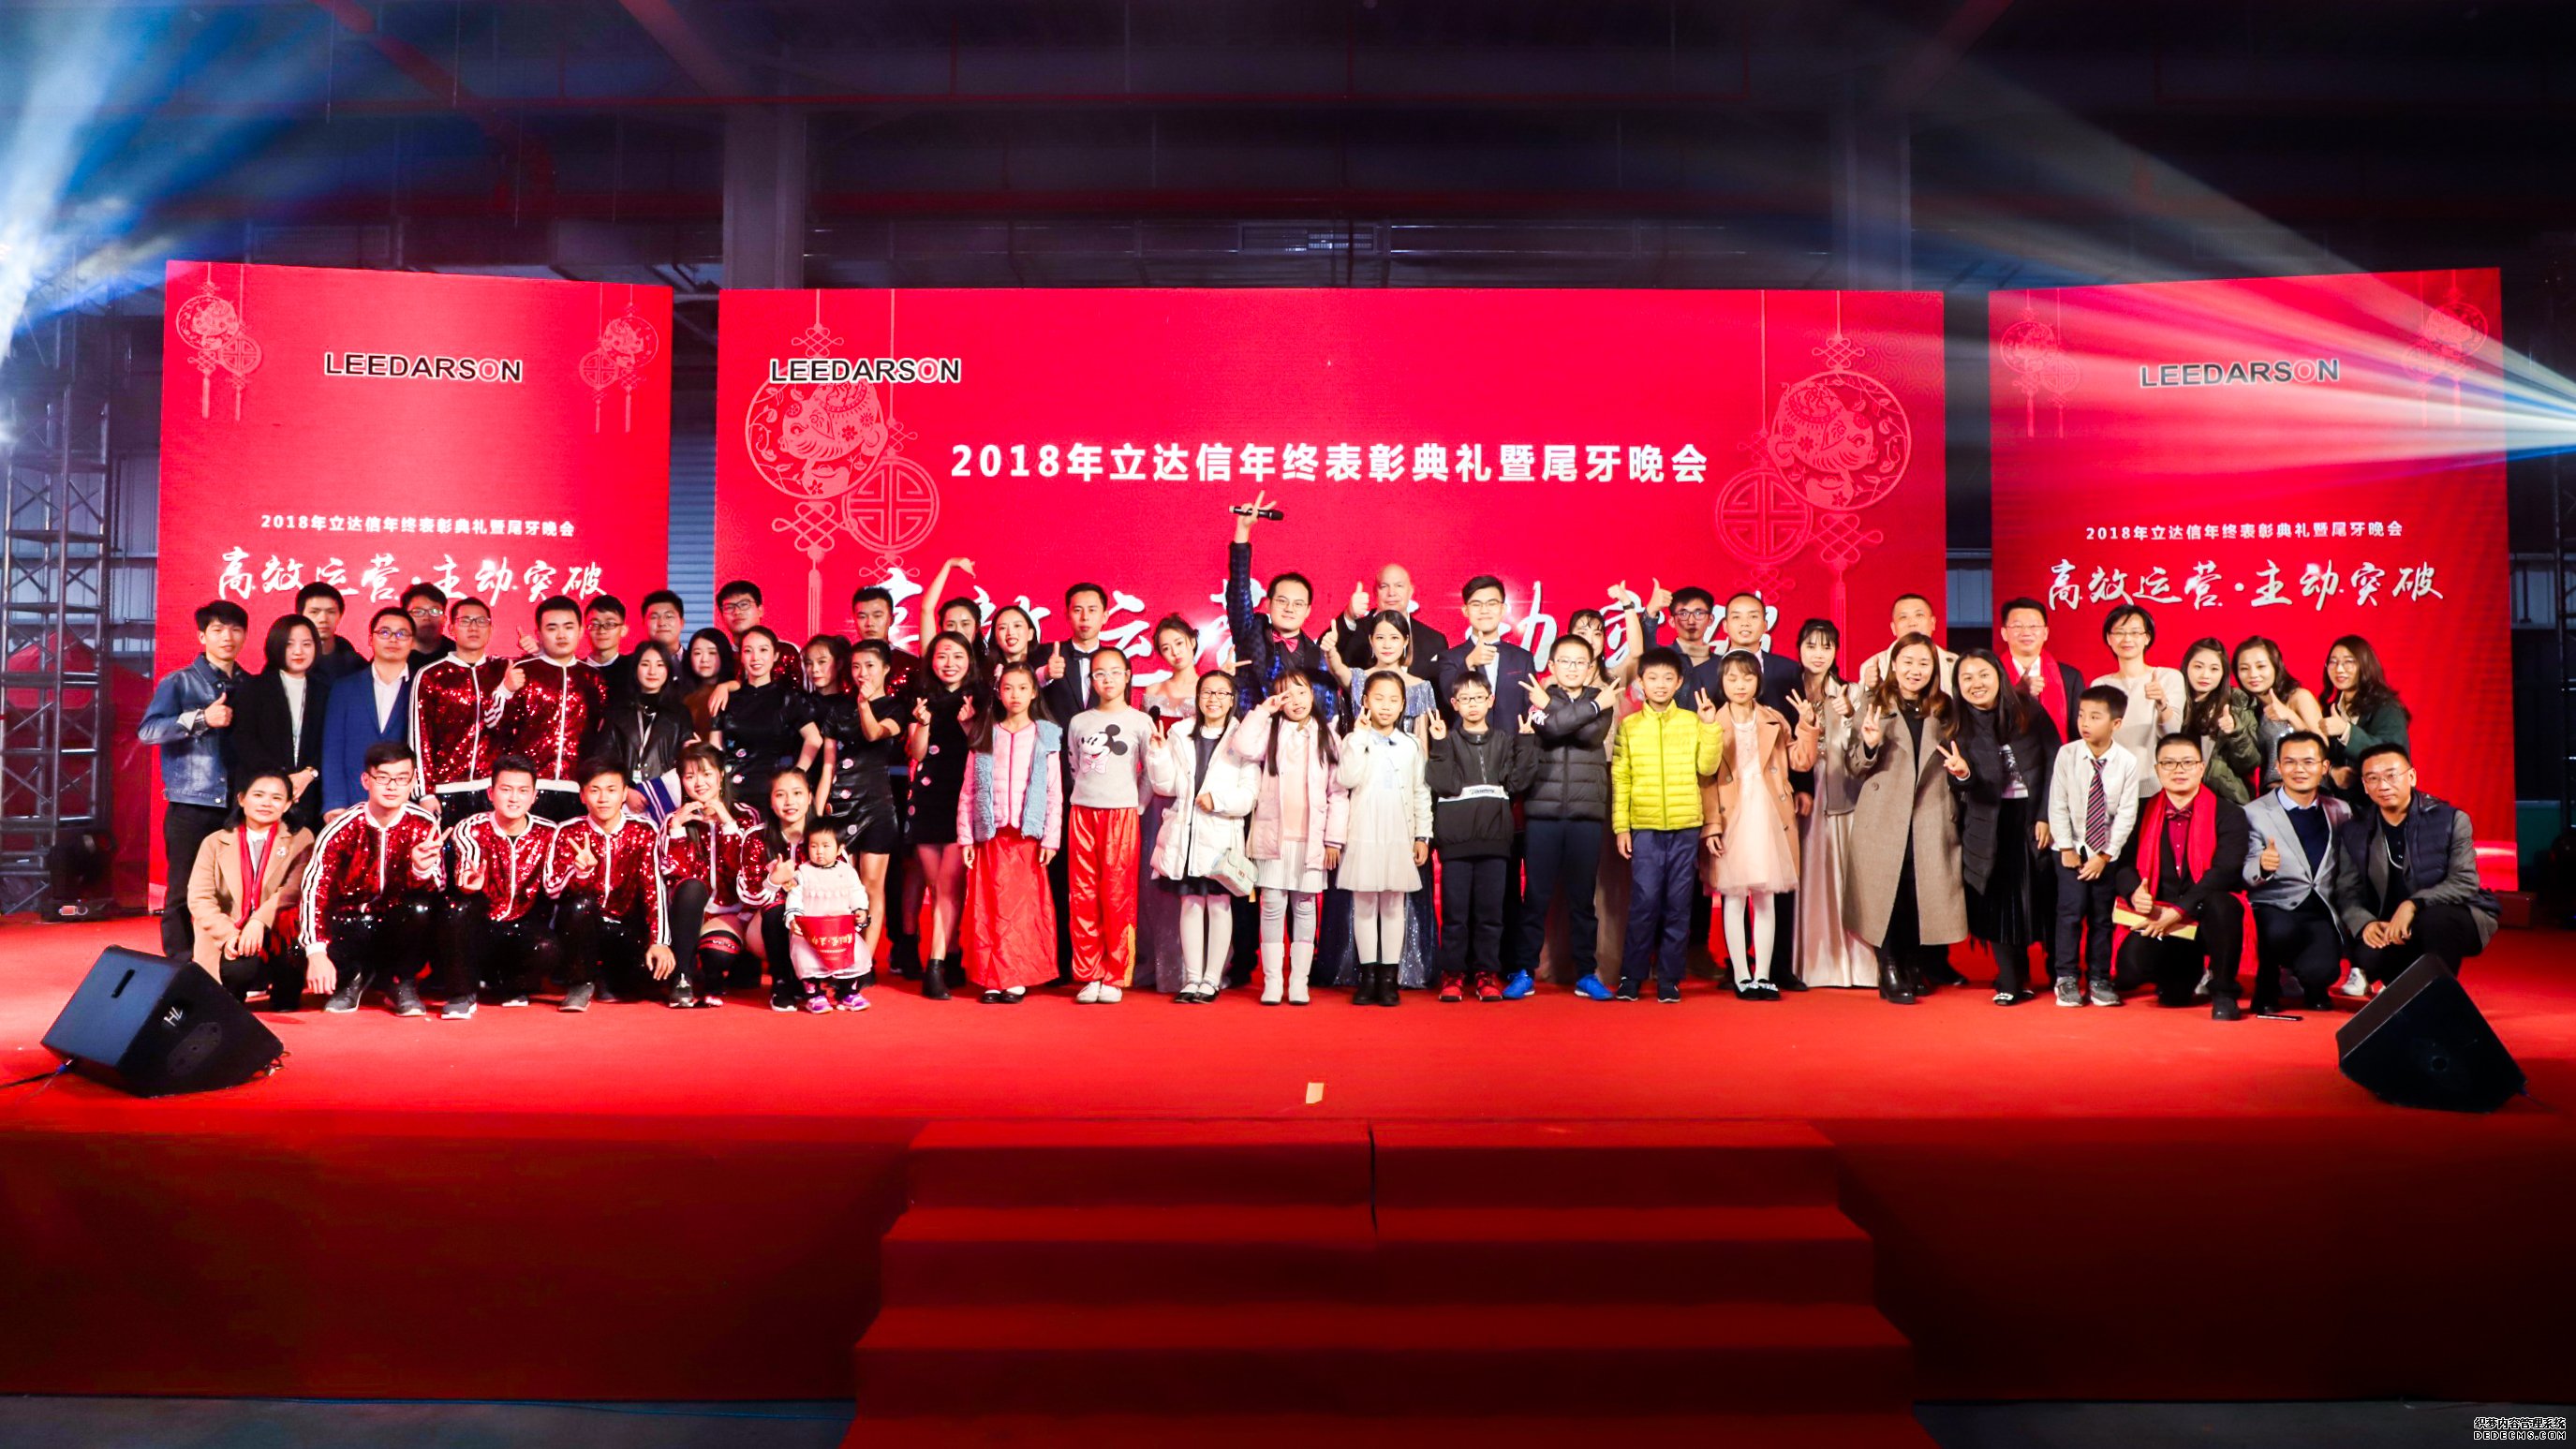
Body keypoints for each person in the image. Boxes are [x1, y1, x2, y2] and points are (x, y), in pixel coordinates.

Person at [1844, 635, 1971, 1006]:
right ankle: (1888, 967)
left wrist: (1962, 772)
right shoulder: (1874, 703)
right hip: (1884, 814)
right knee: (1887, 891)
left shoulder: (1945, 708)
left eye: (1923, 663)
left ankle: (1914, 963)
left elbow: (1961, 760)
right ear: (1893, 664)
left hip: (1931, 812)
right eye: (1908, 662)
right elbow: (1854, 765)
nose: (1915, 671)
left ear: (1934, 668)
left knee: (1921, 890)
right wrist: (1869, 744)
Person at [1609, 648, 1726, 1003]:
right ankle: (1631, 976)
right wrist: (1622, 826)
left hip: (1684, 825)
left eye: (1667, 678)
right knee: (1644, 902)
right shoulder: (1630, 726)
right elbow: (1621, 778)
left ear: (1679, 683)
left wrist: (1710, 727)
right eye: (1652, 678)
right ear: (1640, 683)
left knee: (1678, 903)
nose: (1660, 684)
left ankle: (1669, 979)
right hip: (1644, 826)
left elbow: (1707, 768)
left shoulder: (1692, 721)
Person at [2332, 742, 2498, 988]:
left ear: (2411, 777)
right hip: (2391, 924)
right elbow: (2348, 891)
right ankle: (2403, 988)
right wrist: (2365, 923)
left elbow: (2464, 881)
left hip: (2450, 915)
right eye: (2373, 778)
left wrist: (2413, 904)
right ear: (2365, 786)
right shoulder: (2353, 831)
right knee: (2370, 957)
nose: (2383, 785)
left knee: (2435, 922)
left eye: (2391, 775)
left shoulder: (2450, 819)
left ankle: (2438, 994)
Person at [301, 741, 446, 1016]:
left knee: (421, 909)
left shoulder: (424, 824)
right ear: (366, 780)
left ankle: (400, 982)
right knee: (298, 952)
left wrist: (420, 869)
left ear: (413, 781)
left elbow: (439, 886)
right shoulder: (342, 827)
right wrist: (316, 950)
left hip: (397, 925)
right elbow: (314, 888)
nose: (392, 787)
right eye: (383, 778)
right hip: (348, 924)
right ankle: (351, 979)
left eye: (401, 779)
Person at [2110, 734, 2251, 1018]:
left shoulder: (2229, 813)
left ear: (2201, 767)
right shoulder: (2139, 810)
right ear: (2157, 769)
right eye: (2169, 763)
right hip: (2159, 917)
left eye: (2187, 763)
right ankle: (2189, 971)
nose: (2179, 770)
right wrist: (2134, 892)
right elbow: (2122, 863)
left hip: (2204, 915)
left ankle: (2224, 991)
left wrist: (2180, 910)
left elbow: (2225, 871)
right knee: (2139, 974)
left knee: (2224, 905)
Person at [141, 599, 250, 959]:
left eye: (235, 629)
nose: (227, 637)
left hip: (240, 806)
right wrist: (202, 718)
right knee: (182, 890)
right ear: (202, 636)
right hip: (192, 803)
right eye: (218, 630)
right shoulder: (179, 682)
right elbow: (148, 731)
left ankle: (226, 964)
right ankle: (179, 966)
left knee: (234, 889)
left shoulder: (251, 684)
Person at [1232, 670, 1347, 1006]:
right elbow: (1242, 746)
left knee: (1305, 907)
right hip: (1274, 837)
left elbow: (1338, 793)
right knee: (1271, 906)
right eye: (1286, 695)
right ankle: (1272, 982)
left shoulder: (1328, 736)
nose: (1295, 700)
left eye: (1301, 692)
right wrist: (1263, 711)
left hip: (1311, 839)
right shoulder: (1270, 730)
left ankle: (1299, 982)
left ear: (1312, 695)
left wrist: (1333, 840)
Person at [1952, 649, 2062, 1004]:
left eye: (1983, 674)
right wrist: (1963, 775)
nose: (1976, 684)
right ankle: (2012, 978)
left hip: (2032, 816)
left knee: (2041, 895)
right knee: (1998, 901)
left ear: (1999, 676)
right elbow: (1959, 784)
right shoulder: (1957, 722)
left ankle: (2060, 973)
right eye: (1967, 678)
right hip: (1987, 822)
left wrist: (2046, 815)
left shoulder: (2029, 710)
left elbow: (2055, 762)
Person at [1700, 651, 1808, 999]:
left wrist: (1807, 727)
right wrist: (1711, 825)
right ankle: (1741, 976)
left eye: (1747, 677)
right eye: (1732, 678)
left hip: (1768, 812)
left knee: (1765, 897)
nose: (1740, 685)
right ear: (1722, 682)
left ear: (1758, 680)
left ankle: (1763, 975)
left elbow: (1801, 762)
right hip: (1731, 814)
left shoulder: (1773, 718)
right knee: (1733, 897)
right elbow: (1704, 777)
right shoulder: (1711, 720)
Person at [1144, 669, 1255, 1003]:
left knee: (1219, 905)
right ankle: (1192, 979)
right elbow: (1166, 786)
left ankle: (1212, 979)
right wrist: (1158, 753)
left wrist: (1217, 801)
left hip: (1221, 837)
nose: (1214, 699)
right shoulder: (1179, 733)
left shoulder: (1244, 740)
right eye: (1207, 692)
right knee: (1190, 904)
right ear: (1198, 697)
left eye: (1222, 693)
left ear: (1232, 700)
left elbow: (1249, 796)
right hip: (1186, 835)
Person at [955, 661, 1062, 1003]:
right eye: (1008, 688)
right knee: (989, 907)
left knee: (1022, 910)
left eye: (1022, 688)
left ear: (1034, 693)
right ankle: (992, 976)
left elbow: (1054, 791)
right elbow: (969, 789)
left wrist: (1051, 838)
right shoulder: (986, 733)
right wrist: (966, 837)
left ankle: (1015, 975)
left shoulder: (1046, 735)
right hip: (991, 836)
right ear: (999, 693)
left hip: (1026, 838)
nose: (1015, 695)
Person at [1519, 632, 1617, 999]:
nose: (1573, 668)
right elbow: (1551, 728)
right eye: (1565, 661)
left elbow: (1589, 736)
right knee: (1536, 897)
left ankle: (1586, 974)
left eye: (1580, 662)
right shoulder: (1537, 695)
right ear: (1552, 665)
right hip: (1542, 812)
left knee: (1582, 899)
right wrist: (1553, 705)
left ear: (1590, 667)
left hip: (1585, 813)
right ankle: (1524, 970)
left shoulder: (1603, 699)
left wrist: (1570, 708)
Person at [1426, 673, 1534, 1001]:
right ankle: (1453, 974)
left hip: (1495, 841)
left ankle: (1486, 973)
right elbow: (1444, 785)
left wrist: (1526, 743)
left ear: (1491, 701)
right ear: (1454, 704)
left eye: (1478, 697)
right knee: (1455, 916)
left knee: (1490, 915)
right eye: (1465, 699)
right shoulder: (1447, 740)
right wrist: (1440, 744)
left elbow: (1516, 783)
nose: (1472, 704)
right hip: (1456, 843)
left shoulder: (1504, 740)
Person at [544, 758, 676, 1012]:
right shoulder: (568, 831)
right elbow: (551, 889)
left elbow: (654, 888)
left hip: (623, 927)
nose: (603, 798)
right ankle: (580, 983)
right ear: (583, 796)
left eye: (611, 790)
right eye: (595, 790)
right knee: (580, 906)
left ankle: (606, 977)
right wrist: (578, 872)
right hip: (578, 929)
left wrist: (659, 940)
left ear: (624, 793)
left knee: (650, 979)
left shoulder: (644, 831)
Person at [1336, 671, 1435, 1007]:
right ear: (1365, 700)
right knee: (1364, 904)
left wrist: (1423, 835)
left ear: (1403, 704)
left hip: (1398, 832)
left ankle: (1389, 979)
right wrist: (1359, 737)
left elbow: (1421, 792)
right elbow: (1346, 778)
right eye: (1379, 698)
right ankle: (1368, 978)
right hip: (1364, 830)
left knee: (1393, 905)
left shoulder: (1411, 746)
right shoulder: (1354, 740)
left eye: (1394, 700)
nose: (1386, 706)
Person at [438, 757, 563, 1016]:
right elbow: (467, 868)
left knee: (547, 947)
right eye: (506, 789)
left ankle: (510, 986)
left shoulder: (549, 832)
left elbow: (554, 888)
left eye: (523, 791)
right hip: (481, 926)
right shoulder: (470, 828)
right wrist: (470, 884)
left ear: (534, 796)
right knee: (457, 909)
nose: (514, 798)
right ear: (490, 793)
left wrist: (581, 871)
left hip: (522, 927)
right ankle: (462, 994)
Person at [1790, 620, 1876, 990]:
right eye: (1811, 645)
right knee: (1809, 874)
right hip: (1802, 792)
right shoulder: (1787, 689)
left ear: (1836, 652)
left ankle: (1854, 966)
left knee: (1845, 874)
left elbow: (1868, 746)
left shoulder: (1851, 691)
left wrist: (1850, 713)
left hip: (1844, 791)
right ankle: (1811, 964)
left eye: (1826, 646)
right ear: (1798, 648)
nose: (1818, 654)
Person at [2045, 686, 2142, 1007]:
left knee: (2102, 918)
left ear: (2116, 723)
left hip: (2105, 853)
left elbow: (2126, 814)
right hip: (2070, 849)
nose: (2084, 723)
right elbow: (2057, 803)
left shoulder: (2127, 762)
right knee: (2070, 913)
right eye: (2081, 715)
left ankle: (2099, 978)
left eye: (2095, 717)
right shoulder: (2067, 754)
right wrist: (2066, 848)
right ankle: (2066, 977)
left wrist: (2105, 855)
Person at [2241, 731, 2352, 1013]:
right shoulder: (2254, 812)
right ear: (2278, 767)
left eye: (2308, 762)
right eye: (2290, 762)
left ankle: (2310, 983)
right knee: (2279, 931)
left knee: (2323, 971)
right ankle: (2268, 981)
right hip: (2274, 906)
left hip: (2320, 909)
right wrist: (2262, 866)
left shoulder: (2341, 811)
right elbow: (2245, 869)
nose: (2299, 770)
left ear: (2324, 767)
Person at [814, 639, 906, 980]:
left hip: (878, 805)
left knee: (871, 886)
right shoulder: (838, 710)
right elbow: (827, 766)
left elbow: (875, 733)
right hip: (840, 805)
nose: (862, 673)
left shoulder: (895, 707)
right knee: (840, 887)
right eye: (856, 666)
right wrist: (817, 815)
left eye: (869, 666)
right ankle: (841, 955)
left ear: (885, 669)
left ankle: (864, 962)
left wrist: (865, 705)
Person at [184, 770, 314, 1010]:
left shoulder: (301, 838)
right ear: (242, 799)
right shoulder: (214, 842)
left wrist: (258, 921)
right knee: (232, 988)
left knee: (288, 990)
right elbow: (200, 898)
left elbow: (293, 890)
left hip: (276, 927)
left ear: (287, 805)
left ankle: (285, 991)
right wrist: (228, 935)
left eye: (276, 798)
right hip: (230, 928)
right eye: (259, 795)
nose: (266, 803)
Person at [658, 742, 773, 1006]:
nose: (699, 783)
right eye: (690, 776)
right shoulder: (674, 820)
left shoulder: (746, 816)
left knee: (717, 955)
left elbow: (744, 873)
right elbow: (677, 878)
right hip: (689, 917)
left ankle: (720, 966)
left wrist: (728, 825)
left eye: (707, 774)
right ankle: (682, 978)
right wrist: (677, 830)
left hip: (734, 916)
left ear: (721, 775)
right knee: (691, 887)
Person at [1064, 647, 1147, 1003]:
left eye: (1114, 672)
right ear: (1091, 680)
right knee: (1082, 895)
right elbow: (1073, 765)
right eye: (1099, 673)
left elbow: (1149, 773)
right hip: (1082, 813)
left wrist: (1137, 805)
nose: (1107, 679)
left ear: (1127, 676)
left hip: (1121, 815)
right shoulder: (1079, 722)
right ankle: (1090, 973)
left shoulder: (1139, 721)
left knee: (1117, 895)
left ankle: (1114, 975)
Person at [906, 632, 984, 999]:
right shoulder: (922, 697)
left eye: (957, 655)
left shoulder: (979, 697)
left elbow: (983, 749)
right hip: (926, 798)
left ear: (969, 659)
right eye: (942, 656)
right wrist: (922, 723)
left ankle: (934, 966)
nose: (949, 663)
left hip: (962, 799)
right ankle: (952, 956)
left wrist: (969, 725)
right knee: (938, 888)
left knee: (950, 887)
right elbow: (917, 753)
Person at [493, 595, 612, 821]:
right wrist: (505, 691)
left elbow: (602, 734)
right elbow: (495, 726)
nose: (561, 635)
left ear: (580, 631)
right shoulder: (522, 671)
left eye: (568, 627)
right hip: (528, 788)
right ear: (538, 634)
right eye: (552, 628)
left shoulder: (593, 677)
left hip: (578, 788)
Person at [1225, 492, 1338, 726]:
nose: (1289, 609)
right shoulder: (1250, 631)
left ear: (1308, 611)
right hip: (1250, 734)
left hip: (1298, 741)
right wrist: (1243, 531)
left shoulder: (1318, 655)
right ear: (1268, 603)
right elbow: (1239, 590)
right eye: (1282, 601)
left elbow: (1327, 709)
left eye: (1298, 604)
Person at [409, 596, 514, 827]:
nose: (473, 627)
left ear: (491, 629)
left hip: (494, 789)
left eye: (481, 621)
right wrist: (425, 793)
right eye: (465, 621)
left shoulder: (504, 670)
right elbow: (420, 736)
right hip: (446, 789)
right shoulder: (431, 675)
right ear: (451, 629)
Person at [229, 614, 330, 835]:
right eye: (289, 644)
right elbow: (243, 740)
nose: (298, 651)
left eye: (306, 644)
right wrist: (282, 780)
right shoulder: (253, 687)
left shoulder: (326, 691)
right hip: (263, 795)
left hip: (310, 796)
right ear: (276, 646)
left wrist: (308, 774)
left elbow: (332, 742)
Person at [706, 625, 821, 815]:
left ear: (775, 655)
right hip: (732, 790)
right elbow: (715, 748)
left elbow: (814, 739)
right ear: (741, 656)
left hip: (773, 793)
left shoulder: (788, 698)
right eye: (748, 651)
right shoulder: (727, 697)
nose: (755, 657)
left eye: (763, 650)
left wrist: (795, 776)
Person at [318, 606, 418, 815]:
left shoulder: (421, 686)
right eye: (385, 632)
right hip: (352, 803)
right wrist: (335, 802)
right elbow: (333, 748)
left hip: (408, 804)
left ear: (413, 642)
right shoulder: (344, 688)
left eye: (402, 634)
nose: (393, 639)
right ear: (371, 639)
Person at [2091, 603, 2184, 798]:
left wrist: (2162, 703)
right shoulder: (2100, 685)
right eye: (2119, 632)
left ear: (2147, 638)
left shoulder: (2167, 677)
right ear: (2109, 638)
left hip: (2155, 786)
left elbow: (2173, 733)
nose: (2127, 639)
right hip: (2111, 787)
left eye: (2135, 632)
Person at [594, 639, 694, 812]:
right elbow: (603, 758)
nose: (652, 671)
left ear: (668, 670)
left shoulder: (680, 713)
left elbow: (685, 763)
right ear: (635, 669)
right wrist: (626, 790)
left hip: (667, 799)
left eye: (660, 665)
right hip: (622, 800)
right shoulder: (617, 710)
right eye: (645, 664)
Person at [783, 820, 872, 1013]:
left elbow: (857, 892)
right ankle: (814, 995)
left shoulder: (847, 871)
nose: (819, 852)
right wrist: (793, 918)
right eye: (814, 846)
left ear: (840, 848)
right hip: (811, 932)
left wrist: (860, 910)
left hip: (840, 930)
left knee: (852, 958)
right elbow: (794, 897)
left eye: (826, 846)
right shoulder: (803, 873)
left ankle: (848, 993)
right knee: (809, 960)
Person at [1429, 575, 1539, 731]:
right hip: (1465, 744)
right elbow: (1449, 699)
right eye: (1476, 604)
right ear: (1465, 610)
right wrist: (1469, 663)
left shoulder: (1523, 658)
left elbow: (1531, 709)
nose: (1484, 610)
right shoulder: (1449, 658)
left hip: (1512, 744)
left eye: (1492, 603)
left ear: (1503, 609)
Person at [2321, 635, 2410, 806]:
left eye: (2348, 662)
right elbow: (2320, 756)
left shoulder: (2387, 707)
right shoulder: (2331, 710)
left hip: (2381, 805)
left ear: (2364, 665)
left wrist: (2346, 731)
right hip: (2339, 807)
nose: (2339, 669)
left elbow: (2391, 755)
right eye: (2333, 662)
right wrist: (2332, 771)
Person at [2177, 636, 2261, 806]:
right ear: (2186, 667)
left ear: (2223, 673)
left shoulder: (2237, 702)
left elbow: (2249, 763)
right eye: (2198, 667)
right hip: (2177, 797)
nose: (2205, 675)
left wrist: (2235, 732)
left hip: (2223, 799)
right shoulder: (2174, 700)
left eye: (2214, 669)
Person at [1688, 592, 1802, 715]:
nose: (1745, 623)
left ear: (1765, 626)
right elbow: (1691, 721)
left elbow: (1799, 720)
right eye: (1736, 617)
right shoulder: (1703, 673)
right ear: (1725, 625)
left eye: (1753, 617)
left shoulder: (1788, 670)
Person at [2231, 635, 2324, 782]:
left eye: (2261, 666)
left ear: (2276, 666)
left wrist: (2291, 717)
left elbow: (2323, 745)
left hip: (2307, 788)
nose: (2253, 674)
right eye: (2244, 668)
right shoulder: (2248, 709)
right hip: (2270, 792)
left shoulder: (2299, 697)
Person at [1996, 597, 2087, 743]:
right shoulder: (1991, 675)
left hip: (2058, 756)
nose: (2026, 632)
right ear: (2004, 633)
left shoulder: (2070, 677)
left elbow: (2079, 732)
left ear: (2045, 633)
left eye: (2033, 626)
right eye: (2017, 626)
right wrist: (2016, 693)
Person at [1330, 563, 1449, 673]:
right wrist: (1349, 615)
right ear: (1375, 592)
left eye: (1399, 586)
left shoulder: (1434, 640)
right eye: (1384, 586)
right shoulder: (1354, 631)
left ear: (1411, 591)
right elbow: (1324, 653)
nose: (1391, 593)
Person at [1329, 610, 1437, 730]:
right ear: (1371, 640)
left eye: (1394, 638)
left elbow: (1421, 738)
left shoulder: (1420, 687)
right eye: (1380, 638)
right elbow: (1337, 669)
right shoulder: (1358, 678)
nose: (1387, 645)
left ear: (1406, 641)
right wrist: (1330, 650)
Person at [1856, 593, 1960, 694]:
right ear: (1893, 628)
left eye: (1919, 615)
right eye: (1903, 617)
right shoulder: (1874, 665)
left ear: (1933, 623)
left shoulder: (1955, 663)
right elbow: (1859, 704)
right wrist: (1869, 689)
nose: (1912, 623)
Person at [849, 585, 920, 697]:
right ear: (854, 620)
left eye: (877, 616)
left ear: (891, 619)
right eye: (862, 617)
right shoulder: (844, 663)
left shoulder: (911, 663)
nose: (869, 623)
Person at [298, 581, 366, 684]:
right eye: (314, 612)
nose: (323, 619)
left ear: (340, 615)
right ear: (300, 615)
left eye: (331, 612)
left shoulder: (355, 663)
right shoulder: (287, 660)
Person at [681, 628, 736, 736]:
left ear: (723, 654)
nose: (704, 659)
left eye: (712, 653)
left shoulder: (735, 693)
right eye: (697, 653)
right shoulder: (681, 695)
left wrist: (727, 686)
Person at [1662, 587, 1720, 673]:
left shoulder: (1722, 665)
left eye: (1698, 613)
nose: (1691, 621)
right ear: (1672, 621)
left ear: (1710, 620)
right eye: (1683, 614)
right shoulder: (1660, 659)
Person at [583, 594, 633, 691]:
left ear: (623, 630)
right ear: (585, 631)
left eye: (610, 624)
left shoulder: (634, 669)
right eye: (595, 624)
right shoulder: (573, 671)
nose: (601, 631)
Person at [401, 583, 452, 670]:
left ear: (444, 619)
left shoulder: (460, 656)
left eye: (434, 611)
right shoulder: (392, 654)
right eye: (418, 612)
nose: (427, 617)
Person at [717, 578, 765, 644]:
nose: (737, 612)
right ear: (722, 616)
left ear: (760, 610)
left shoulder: (779, 649)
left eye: (744, 604)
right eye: (729, 607)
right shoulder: (722, 651)